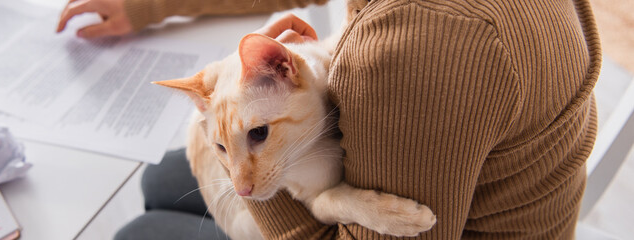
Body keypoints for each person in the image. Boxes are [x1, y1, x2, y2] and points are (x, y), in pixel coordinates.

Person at [58, 0, 601, 239]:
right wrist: (147, 6)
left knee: (141, 229)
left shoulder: (414, 47)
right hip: (512, 189)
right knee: (160, 177)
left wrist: (271, 187)